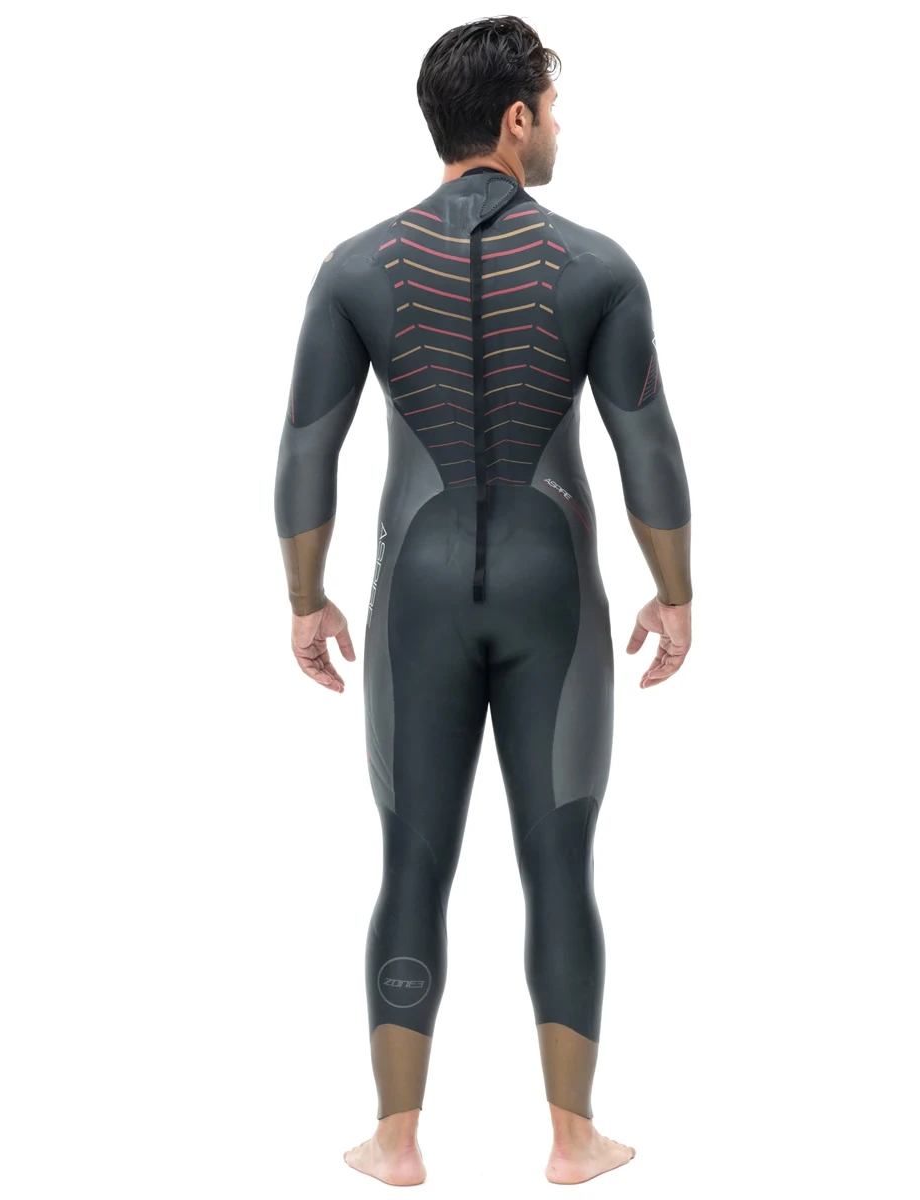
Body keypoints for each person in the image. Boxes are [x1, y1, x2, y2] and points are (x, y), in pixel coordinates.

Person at [273, 16, 692, 1186]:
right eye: (551, 109)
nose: (557, 128)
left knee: (411, 860)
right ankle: (573, 1139)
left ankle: (396, 1139)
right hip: (554, 594)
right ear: (516, 118)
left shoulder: (356, 268)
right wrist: (675, 593)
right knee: (560, 862)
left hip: (415, 596)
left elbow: (305, 449)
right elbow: (648, 447)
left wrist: (305, 599)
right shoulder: (598, 268)